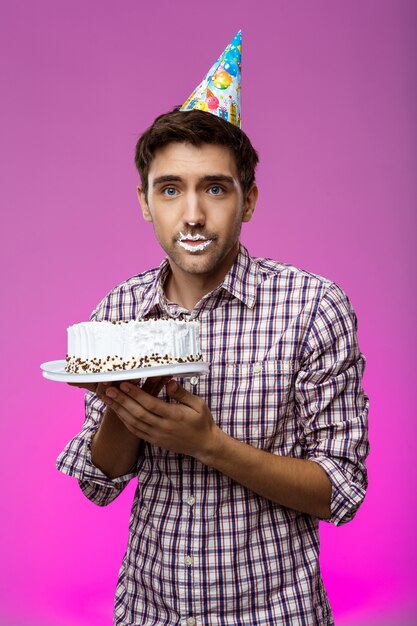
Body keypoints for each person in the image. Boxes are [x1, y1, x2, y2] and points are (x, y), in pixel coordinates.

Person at [57, 107, 369, 626]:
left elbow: (340, 490)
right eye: (171, 189)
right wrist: (124, 398)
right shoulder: (119, 309)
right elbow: (100, 484)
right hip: (151, 612)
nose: (193, 214)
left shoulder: (312, 306)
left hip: (277, 614)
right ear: (145, 201)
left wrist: (209, 445)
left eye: (216, 189)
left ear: (248, 200)